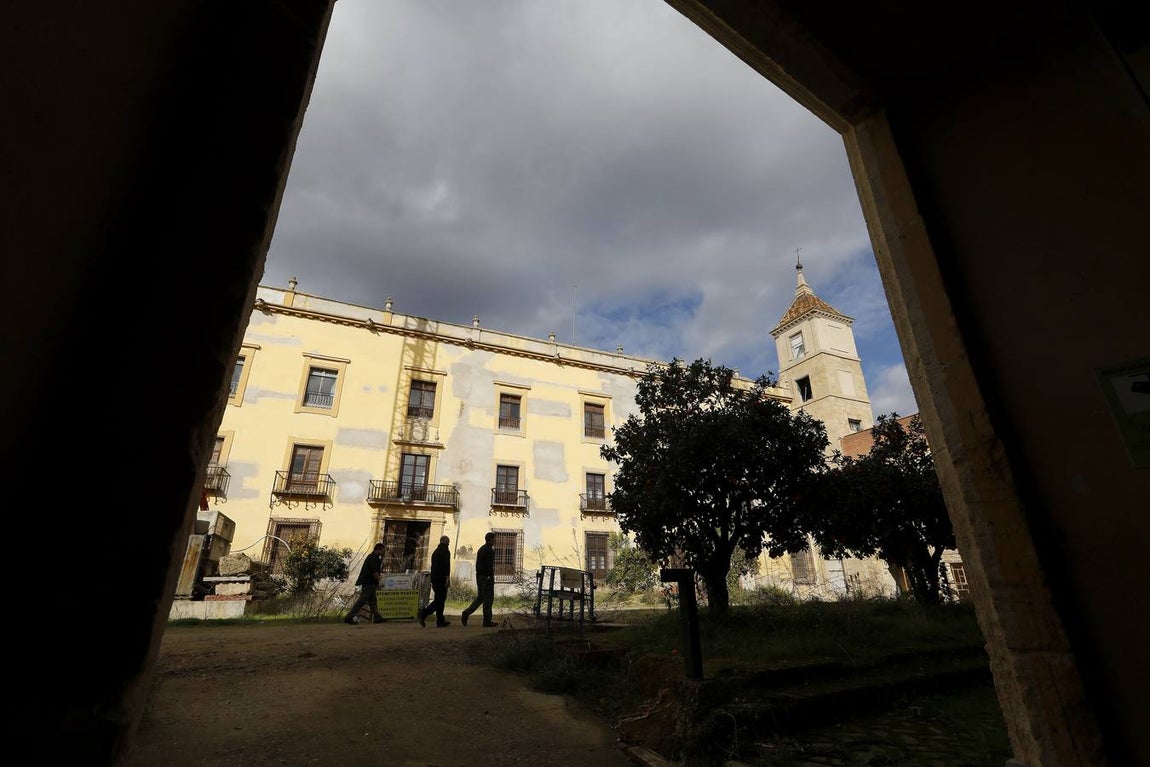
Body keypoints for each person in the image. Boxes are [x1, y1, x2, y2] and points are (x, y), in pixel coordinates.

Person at [461, 532, 498, 627]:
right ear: (491, 539)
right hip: (486, 577)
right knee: (488, 599)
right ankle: (487, 621)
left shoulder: (482, 549)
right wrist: (489, 576)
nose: (495, 540)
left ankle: (467, 612)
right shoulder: (489, 550)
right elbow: (489, 565)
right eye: (494, 539)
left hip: (480, 576)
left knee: (481, 597)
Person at [344, 542, 386, 624]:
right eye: (383, 550)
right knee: (362, 600)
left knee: (373, 601)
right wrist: (380, 580)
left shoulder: (372, 556)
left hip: (370, 582)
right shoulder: (374, 557)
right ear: (379, 549)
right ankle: (349, 616)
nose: (384, 552)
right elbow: (374, 571)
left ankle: (377, 617)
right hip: (369, 582)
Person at [418, 535, 451, 627]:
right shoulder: (445, 551)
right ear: (446, 541)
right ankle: (424, 613)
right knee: (440, 600)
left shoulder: (436, 552)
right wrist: (447, 578)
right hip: (441, 579)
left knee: (439, 599)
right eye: (448, 541)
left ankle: (440, 620)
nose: (449, 543)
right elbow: (446, 566)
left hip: (435, 578)